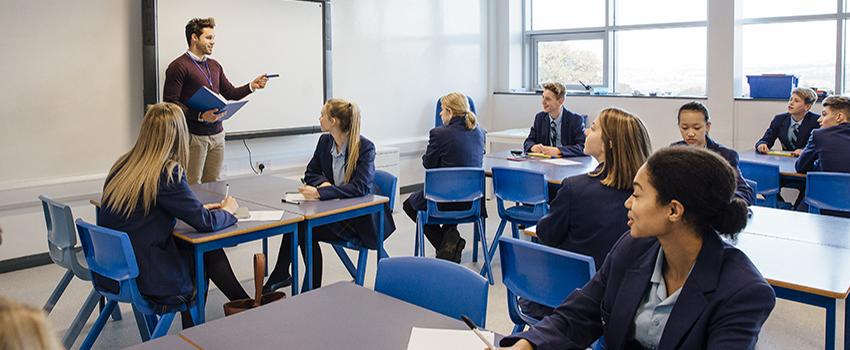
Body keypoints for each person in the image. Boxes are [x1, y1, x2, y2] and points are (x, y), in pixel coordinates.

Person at [499, 146, 776, 350]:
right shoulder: (632, 247)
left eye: (637, 194)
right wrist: (527, 346)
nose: (627, 203)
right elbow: (581, 312)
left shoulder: (743, 292)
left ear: (674, 210)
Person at [98, 102, 249, 327]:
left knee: (204, 251)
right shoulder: (166, 172)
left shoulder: (123, 166)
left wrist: (193, 211)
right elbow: (205, 223)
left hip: (112, 271)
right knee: (204, 251)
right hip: (146, 277)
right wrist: (227, 210)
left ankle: (244, 306)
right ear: (179, 135)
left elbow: (148, 212)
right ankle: (246, 308)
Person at [521, 107, 652, 319]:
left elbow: (547, 234)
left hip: (572, 299)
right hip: (629, 301)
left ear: (608, 143)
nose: (585, 133)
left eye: (592, 128)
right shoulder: (650, 198)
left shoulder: (575, 188)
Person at [264, 99, 396, 291]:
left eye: (322, 115)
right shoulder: (325, 142)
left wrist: (321, 192)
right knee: (298, 226)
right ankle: (293, 280)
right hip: (334, 211)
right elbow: (310, 173)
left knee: (302, 229)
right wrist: (323, 184)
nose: (319, 119)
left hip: (359, 220)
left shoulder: (365, 147)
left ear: (333, 121)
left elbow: (360, 187)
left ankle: (297, 282)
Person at [163, 17, 270, 184]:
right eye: (208, 38)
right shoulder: (178, 66)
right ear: (194, 38)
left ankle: (212, 212)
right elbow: (170, 104)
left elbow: (230, 92)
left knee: (214, 185)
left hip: (217, 135)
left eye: (213, 38)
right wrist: (200, 116)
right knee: (192, 184)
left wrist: (252, 86)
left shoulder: (215, 65)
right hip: (193, 136)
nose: (213, 42)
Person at [401, 92, 486, 263]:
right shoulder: (480, 133)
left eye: (442, 110)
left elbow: (428, 163)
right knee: (451, 205)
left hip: (443, 201)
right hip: (472, 201)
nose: (440, 114)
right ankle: (451, 241)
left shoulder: (438, 133)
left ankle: (446, 245)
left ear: (450, 111)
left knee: (409, 205)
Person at [672, 101, 754, 205]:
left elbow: (745, 192)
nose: (690, 133)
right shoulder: (674, 153)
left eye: (697, 128)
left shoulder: (725, 155)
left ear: (707, 127)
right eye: (684, 128)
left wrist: (718, 204)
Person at [523, 82, 587, 157]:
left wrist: (558, 150)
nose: (543, 102)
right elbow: (528, 141)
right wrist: (533, 147)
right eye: (543, 97)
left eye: (548, 99)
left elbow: (583, 147)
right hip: (545, 163)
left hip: (567, 163)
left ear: (560, 101)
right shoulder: (540, 118)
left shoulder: (575, 120)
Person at [755, 87, 820, 155]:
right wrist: (762, 144)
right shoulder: (779, 119)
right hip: (786, 160)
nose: (791, 103)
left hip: (807, 162)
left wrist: (804, 151)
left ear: (807, 106)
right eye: (791, 99)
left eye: (796, 101)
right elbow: (766, 139)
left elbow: (818, 145)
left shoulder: (817, 121)